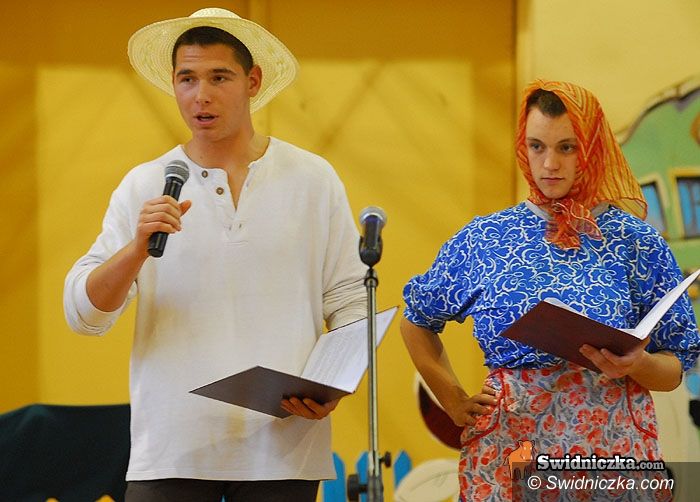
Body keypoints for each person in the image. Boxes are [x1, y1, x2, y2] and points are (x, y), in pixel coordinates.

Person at [63, 8, 366, 502]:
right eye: (187, 78)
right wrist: (136, 250)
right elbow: (84, 313)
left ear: (253, 81)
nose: (200, 95)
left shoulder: (313, 178)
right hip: (172, 449)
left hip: (284, 446)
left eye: (218, 77)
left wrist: (332, 384)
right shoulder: (145, 183)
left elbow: (351, 299)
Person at [400, 80, 699, 501]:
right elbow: (416, 320)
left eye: (567, 147)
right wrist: (453, 400)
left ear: (592, 148)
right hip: (510, 447)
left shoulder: (635, 241)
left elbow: (676, 365)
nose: (549, 163)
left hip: (610, 450)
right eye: (537, 146)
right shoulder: (486, 238)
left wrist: (637, 364)